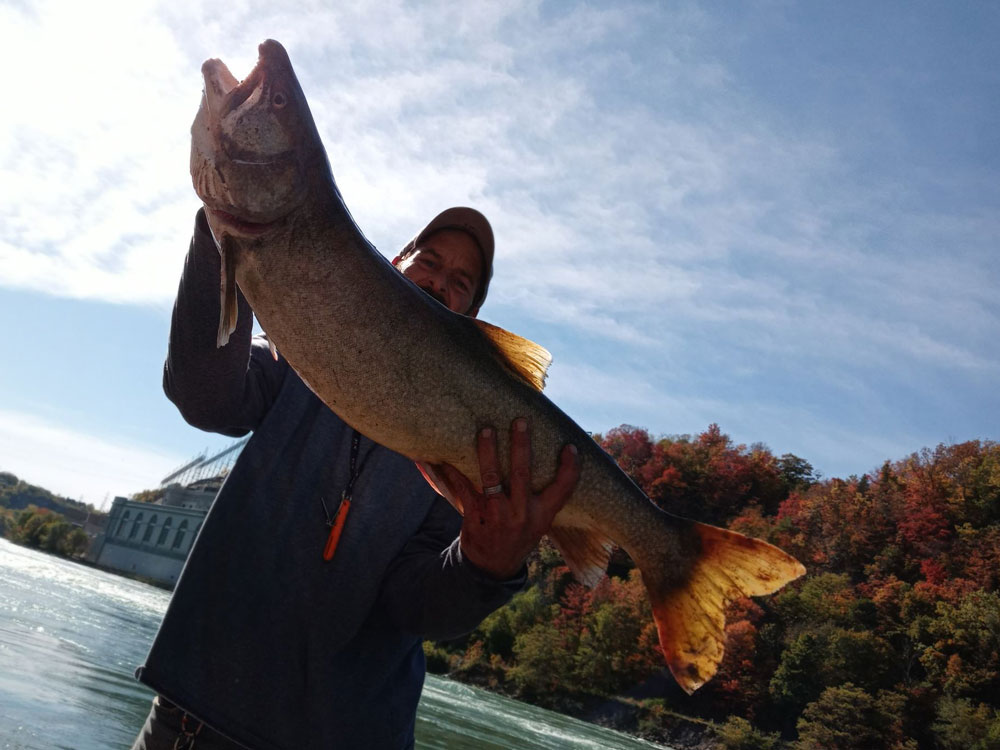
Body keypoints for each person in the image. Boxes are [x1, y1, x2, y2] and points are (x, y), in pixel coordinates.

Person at [131, 206, 580, 750]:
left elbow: (417, 607)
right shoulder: (302, 352)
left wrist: (484, 568)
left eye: (460, 282)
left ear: (474, 318)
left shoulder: (472, 447)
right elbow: (205, 394)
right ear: (396, 263)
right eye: (429, 261)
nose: (438, 282)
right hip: (196, 722)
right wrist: (222, 238)